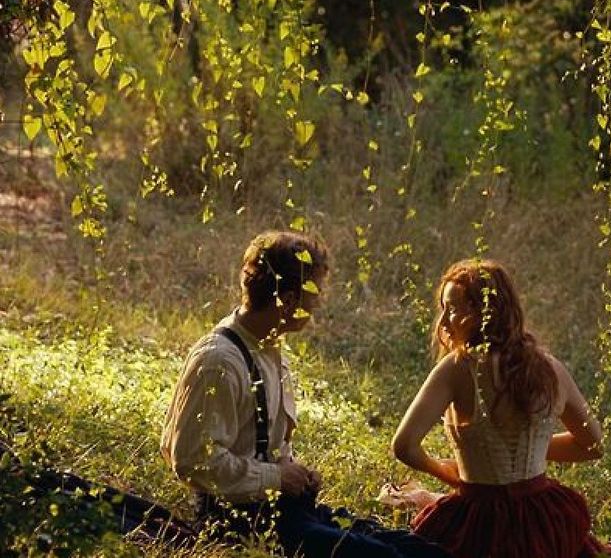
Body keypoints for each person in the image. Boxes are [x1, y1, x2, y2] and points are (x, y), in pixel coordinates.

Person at [161, 229, 451, 558]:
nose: (318, 303)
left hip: (283, 509)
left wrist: (294, 472)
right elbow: (192, 460)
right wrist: (275, 476)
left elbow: (258, 444)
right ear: (287, 300)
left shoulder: (270, 349)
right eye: (313, 294)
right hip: (239, 520)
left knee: (418, 551)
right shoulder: (219, 362)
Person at [391, 258, 611, 558]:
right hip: (542, 517)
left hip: (481, 521)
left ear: (484, 313)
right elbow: (593, 445)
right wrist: (529, 448)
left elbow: (404, 446)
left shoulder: (456, 369)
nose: (443, 322)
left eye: (452, 309)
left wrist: (449, 475)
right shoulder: (551, 369)